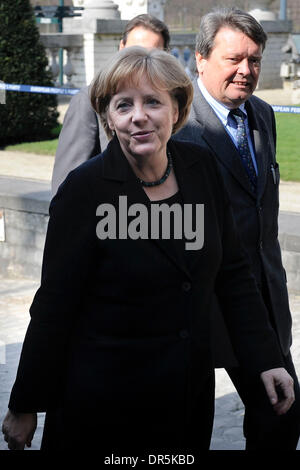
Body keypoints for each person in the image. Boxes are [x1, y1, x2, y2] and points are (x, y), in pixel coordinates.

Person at [1, 47, 295, 452]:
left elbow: (232, 275)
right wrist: (25, 403)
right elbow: (54, 305)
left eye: (152, 101)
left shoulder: (201, 169)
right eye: (124, 105)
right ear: (109, 118)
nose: (139, 116)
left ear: (177, 109)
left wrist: (266, 358)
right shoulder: (85, 191)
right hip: (103, 406)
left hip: (184, 402)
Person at [174, 7, 300, 450]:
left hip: (261, 304)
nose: (246, 71)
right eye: (234, 59)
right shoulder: (175, 125)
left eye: (254, 60)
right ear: (201, 59)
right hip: (199, 312)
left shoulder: (261, 115)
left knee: (282, 415)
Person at [51, 14, 170, 197]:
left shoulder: (171, 103)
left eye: (152, 54)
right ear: (121, 48)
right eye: (134, 52)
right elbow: (65, 189)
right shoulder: (89, 101)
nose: (141, 61)